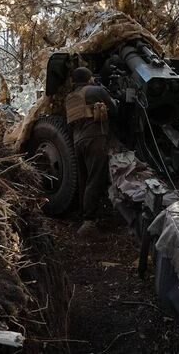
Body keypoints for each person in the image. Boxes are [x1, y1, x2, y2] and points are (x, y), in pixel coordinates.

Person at [65, 67, 117, 237]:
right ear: (89, 78)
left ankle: (84, 215)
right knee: (95, 179)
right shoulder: (96, 90)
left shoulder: (70, 97)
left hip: (77, 141)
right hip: (94, 138)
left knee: (84, 179)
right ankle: (89, 222)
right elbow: (114, 108)